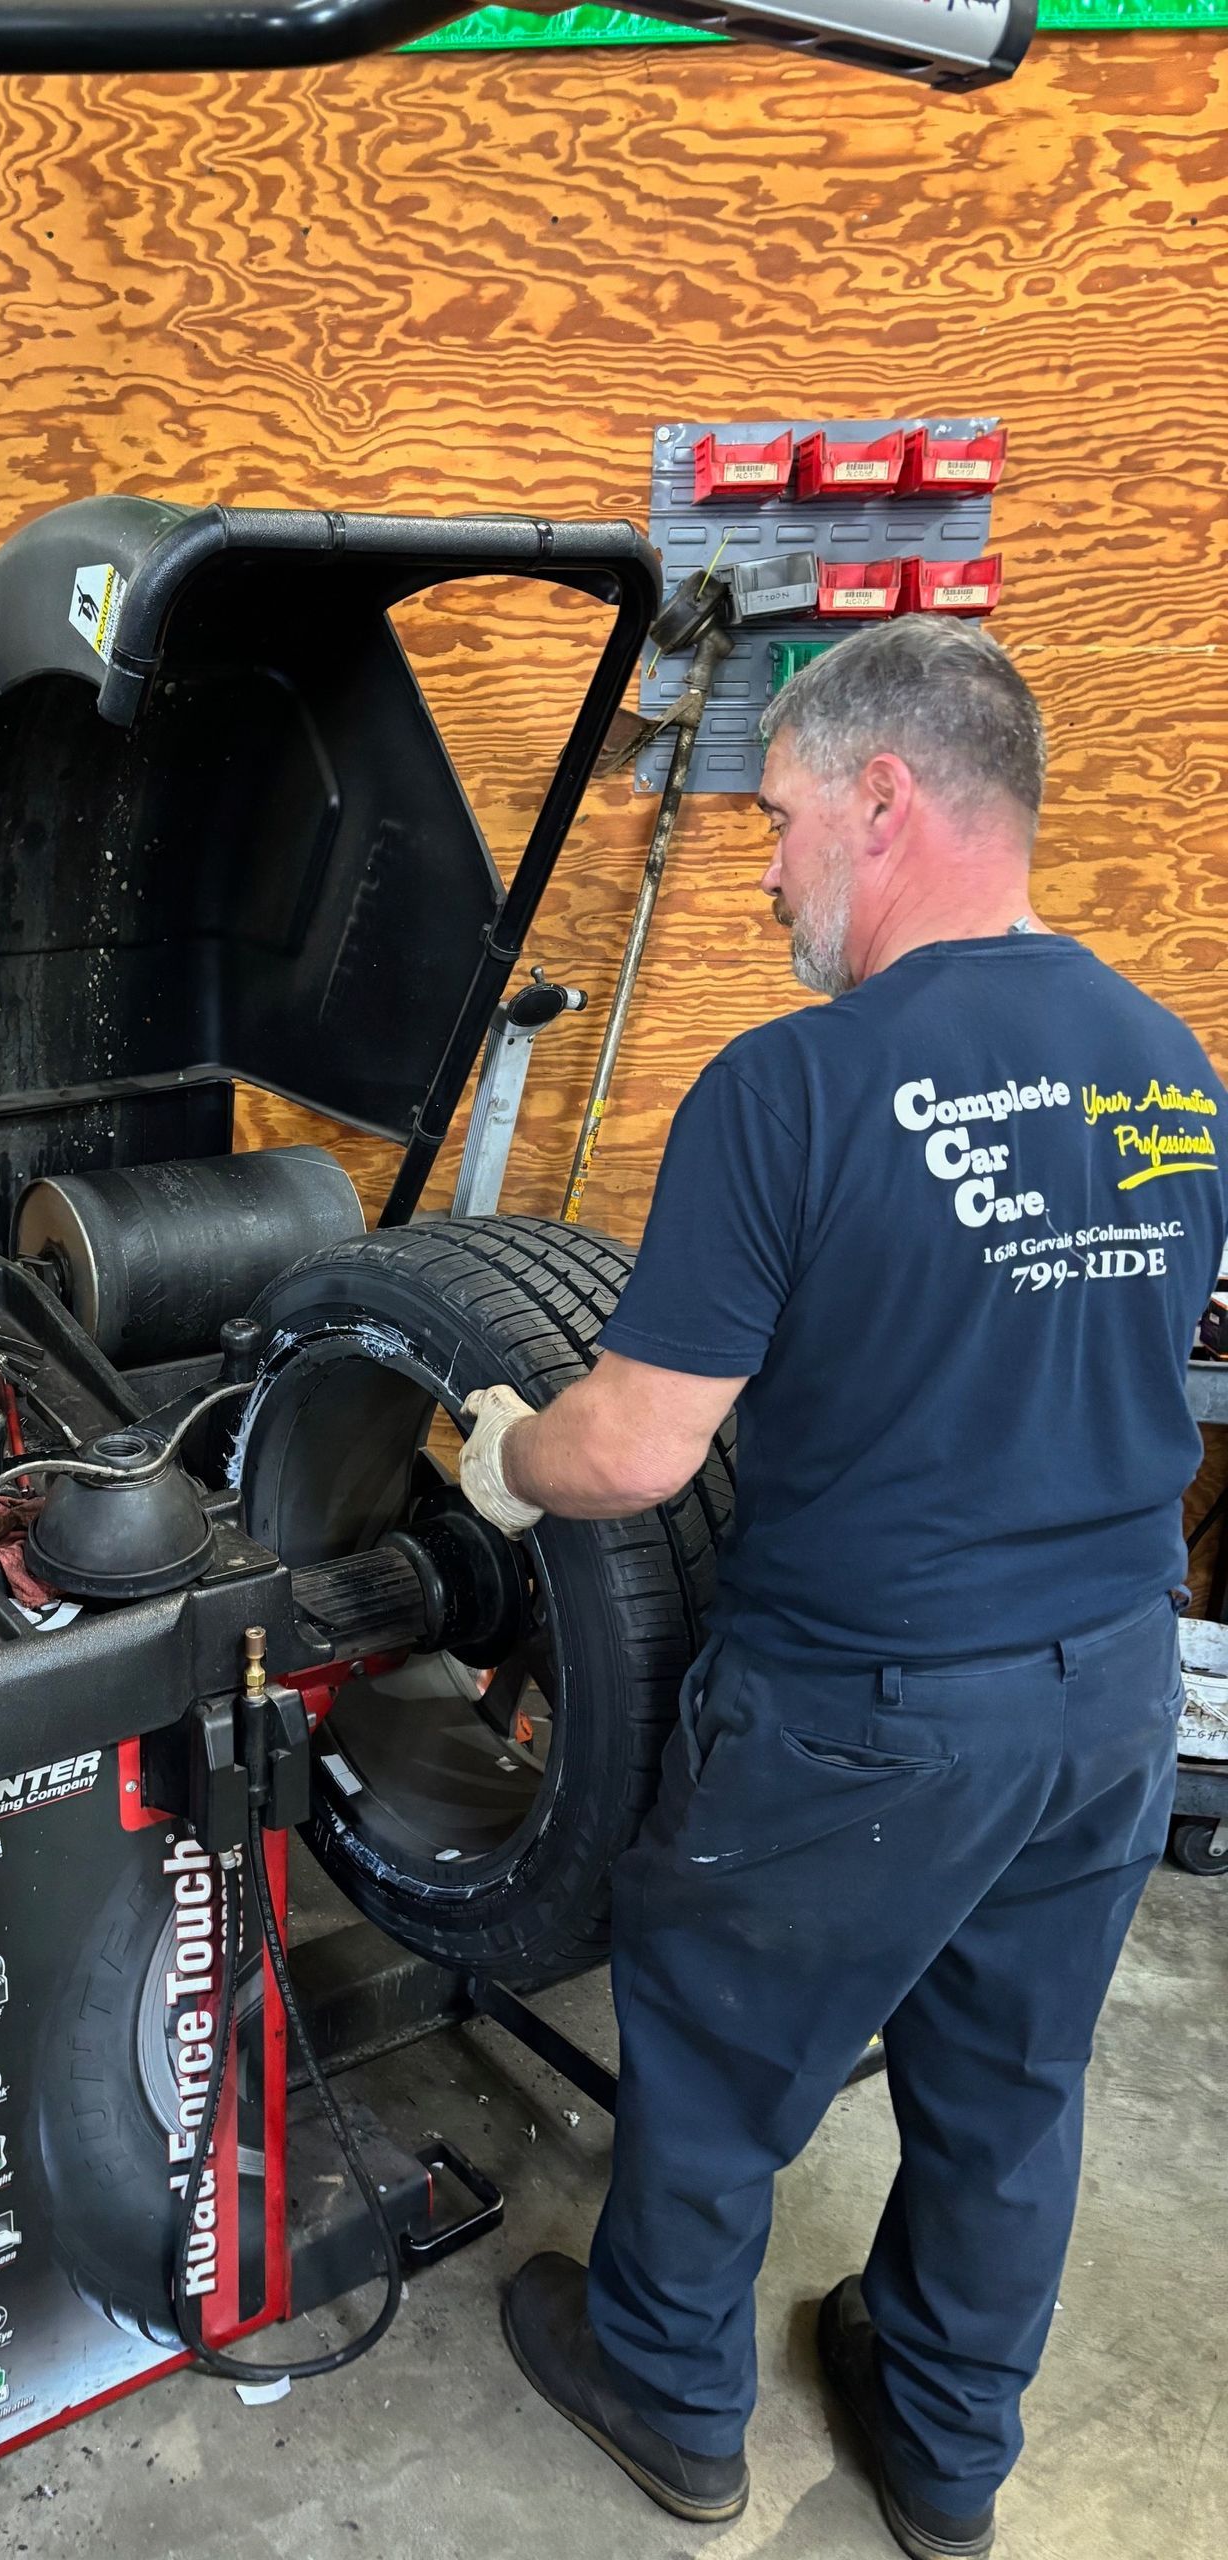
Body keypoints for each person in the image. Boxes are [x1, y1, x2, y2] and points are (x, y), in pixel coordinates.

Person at [456, 616, 1227, 2560]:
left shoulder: (794, 1085)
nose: (770, 862)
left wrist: (494, 1456)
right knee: (1008, 2077)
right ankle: (949, 2452)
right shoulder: (1167, 1064)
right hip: (1117, 1687)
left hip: (875, 1704)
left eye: (781, 816)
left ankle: (667, 2388)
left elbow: (633, 1449)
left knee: (713, 2054)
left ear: (886, 797)